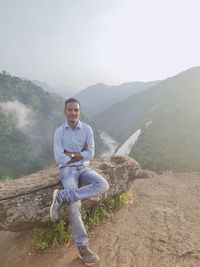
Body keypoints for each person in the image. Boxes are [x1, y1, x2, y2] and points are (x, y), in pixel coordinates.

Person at [50, 97, 109, 265]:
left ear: (79, 112)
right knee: (74, 204)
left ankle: (62, 196)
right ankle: (83, 248)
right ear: (65, 111)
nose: (73, 112)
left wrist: (71, 154)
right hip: (67, 170)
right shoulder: (59, 132)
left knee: (103, 184)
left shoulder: (87, 129)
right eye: (70, 109)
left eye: (76, 110)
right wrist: (78, 155)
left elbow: (90, 153)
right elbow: (58, 157)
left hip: (84, 168)